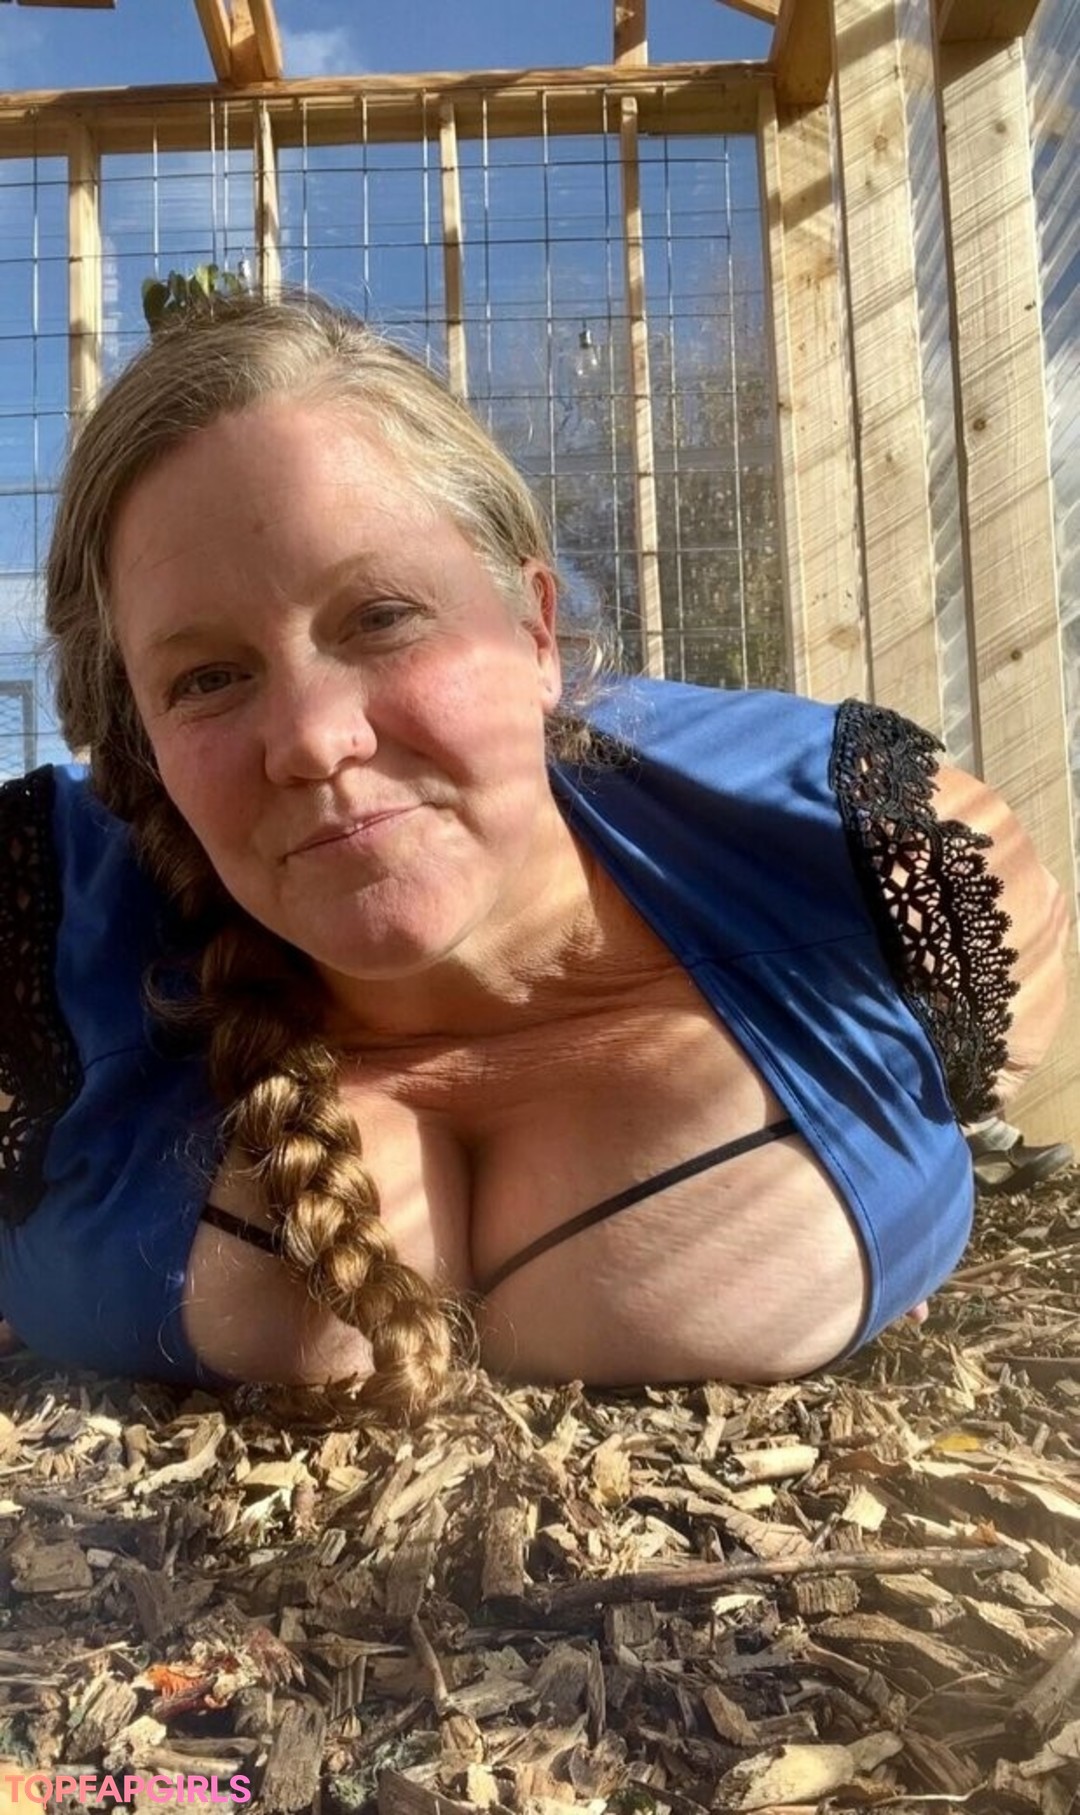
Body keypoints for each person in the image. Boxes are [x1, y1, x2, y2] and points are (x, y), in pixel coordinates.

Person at [0, 293, 1069, 1424]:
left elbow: (1001, 1054)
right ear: (141, 740)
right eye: (208, 679)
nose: (314, 741)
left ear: (536, 630)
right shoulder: (37, 934)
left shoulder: (871, 855)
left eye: (381, 617)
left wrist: (924, 1197)